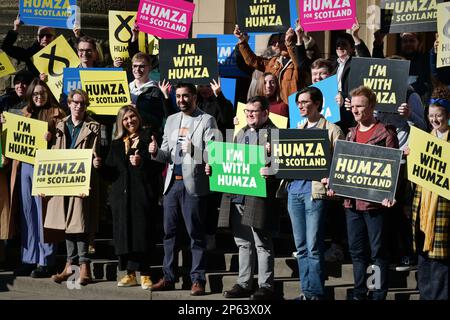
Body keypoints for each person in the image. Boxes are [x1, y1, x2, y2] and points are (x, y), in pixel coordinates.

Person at [325, 86, 398, 300]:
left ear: (372, 107)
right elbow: (343, 167)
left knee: (377, 253)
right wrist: (334, 184)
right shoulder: (350, 133)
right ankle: (359, 292)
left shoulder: (386, 133)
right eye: (354, 106)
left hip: (375, 205)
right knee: (357, 252)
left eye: (360, 106)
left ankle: (377, 293)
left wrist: (391, 194)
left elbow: (394, 170)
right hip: (352, 204)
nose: (356, 110)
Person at [149, 82, 219, 296]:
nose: (181, 100)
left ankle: (197, 280)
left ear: (195, 97)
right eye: (178, 96)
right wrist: (154, 152)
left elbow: (214, 156)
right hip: (172, 184)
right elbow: (165, 153)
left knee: (195, 235)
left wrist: (194, 150)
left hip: (194, 185)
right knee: (169, 233)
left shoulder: (207, 120)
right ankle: (169, 277)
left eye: (186, 96)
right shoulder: (171, 120)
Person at [216, 96, 280, 300]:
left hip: (260, 196)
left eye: (254, 111)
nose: (250, 114)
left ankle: (266, 286)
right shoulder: (241, 132)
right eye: (247, 111)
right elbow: (230, 160)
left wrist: (272, 165)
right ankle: (244, 283)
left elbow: (285, 165)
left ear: (266, 113)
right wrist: (214, 167)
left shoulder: (275, 134)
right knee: (242, 242)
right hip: (238, 195)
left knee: (262, 242)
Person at [285, 87, 344, 300]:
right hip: (294, 193)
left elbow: (342, 161)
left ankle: (315, 293)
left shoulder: (332, 130)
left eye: (304, 101)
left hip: (315, 193)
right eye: (298, 102)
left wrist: (332, 178)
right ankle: (306, 291)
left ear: (317, 103)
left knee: (313, 246)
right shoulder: (297, 129)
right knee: (301, 247)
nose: (300, 105)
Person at [99, 105, 162, 290]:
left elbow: (158, 165)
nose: (129, 121)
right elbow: (111, 174)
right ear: (121, 122)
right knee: (123, 235)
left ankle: (146, 274)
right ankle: (129, 274)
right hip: (121, 197)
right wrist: (100, 166)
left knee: (142, 234)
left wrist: (144, 161)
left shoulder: (149, 136)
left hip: (142, 194)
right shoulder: (118, 142)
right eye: (125, 119)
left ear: (138, 117)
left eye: (132, 116)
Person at [43, 89, 100, 286]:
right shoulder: (59, 125)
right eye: (76, 102)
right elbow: (52, 154)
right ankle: (69, 265)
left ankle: (84, 267)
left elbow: (96, 152)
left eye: (83, 103)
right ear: (69, 103)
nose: (79, 106)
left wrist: (96, 162)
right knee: (66, 222)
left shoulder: (94, 126)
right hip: (63, 179)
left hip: (82, 180)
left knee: (80, 222)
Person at [9, 79, 66, 278]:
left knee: (45, 213)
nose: (39, 96)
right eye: (35, 94)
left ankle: (46, 260)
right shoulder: (24, 113)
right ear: (30, 96)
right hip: (25, 165)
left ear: (48, 93)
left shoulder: (58, 113)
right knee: (27, 214)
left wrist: (53, 139)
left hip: (46, 166)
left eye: (42, 93)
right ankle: (29, 258)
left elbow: (64, 139)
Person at [409, 88, 450, 300]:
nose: (434, 120)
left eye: (439, 116)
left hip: (443, 212)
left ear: (448, 116)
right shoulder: (423, 139)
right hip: (422, 213)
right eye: (431, 115)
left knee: (440, 266)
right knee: (424, 263)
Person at [234, 25, 308, 104]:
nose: (277, 45)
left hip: (292, 108)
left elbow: (300, 65)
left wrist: (289, 43)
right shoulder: (272, 62)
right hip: (273, 107)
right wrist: (242, 40)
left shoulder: (297, 62)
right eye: (275, 42)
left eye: (282, 41)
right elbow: (252, 61)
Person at [333, 19, 371, 134]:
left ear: (352, 48)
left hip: (350, 112)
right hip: (334, 113)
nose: (339, 47)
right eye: (337, 45)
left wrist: (355, 36)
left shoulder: (355, 63)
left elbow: (367, 60)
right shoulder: (333, 65)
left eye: (343, 44)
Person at [373, 32, 431, 102]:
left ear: (419, 43)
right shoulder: (394, 61)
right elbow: (378, 66)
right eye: (405, 41)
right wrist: (378, 45)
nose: (408, 44)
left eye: (412, 41)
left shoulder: (426, 61)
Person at [129, 52, 166, 138]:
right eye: (135, 66)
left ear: (149, 68)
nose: (137, 69)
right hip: (126, 138)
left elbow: (158, 122)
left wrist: (138, 111)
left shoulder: (156, 91)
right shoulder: (125, 88)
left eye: (141, 66)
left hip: (146, 137)